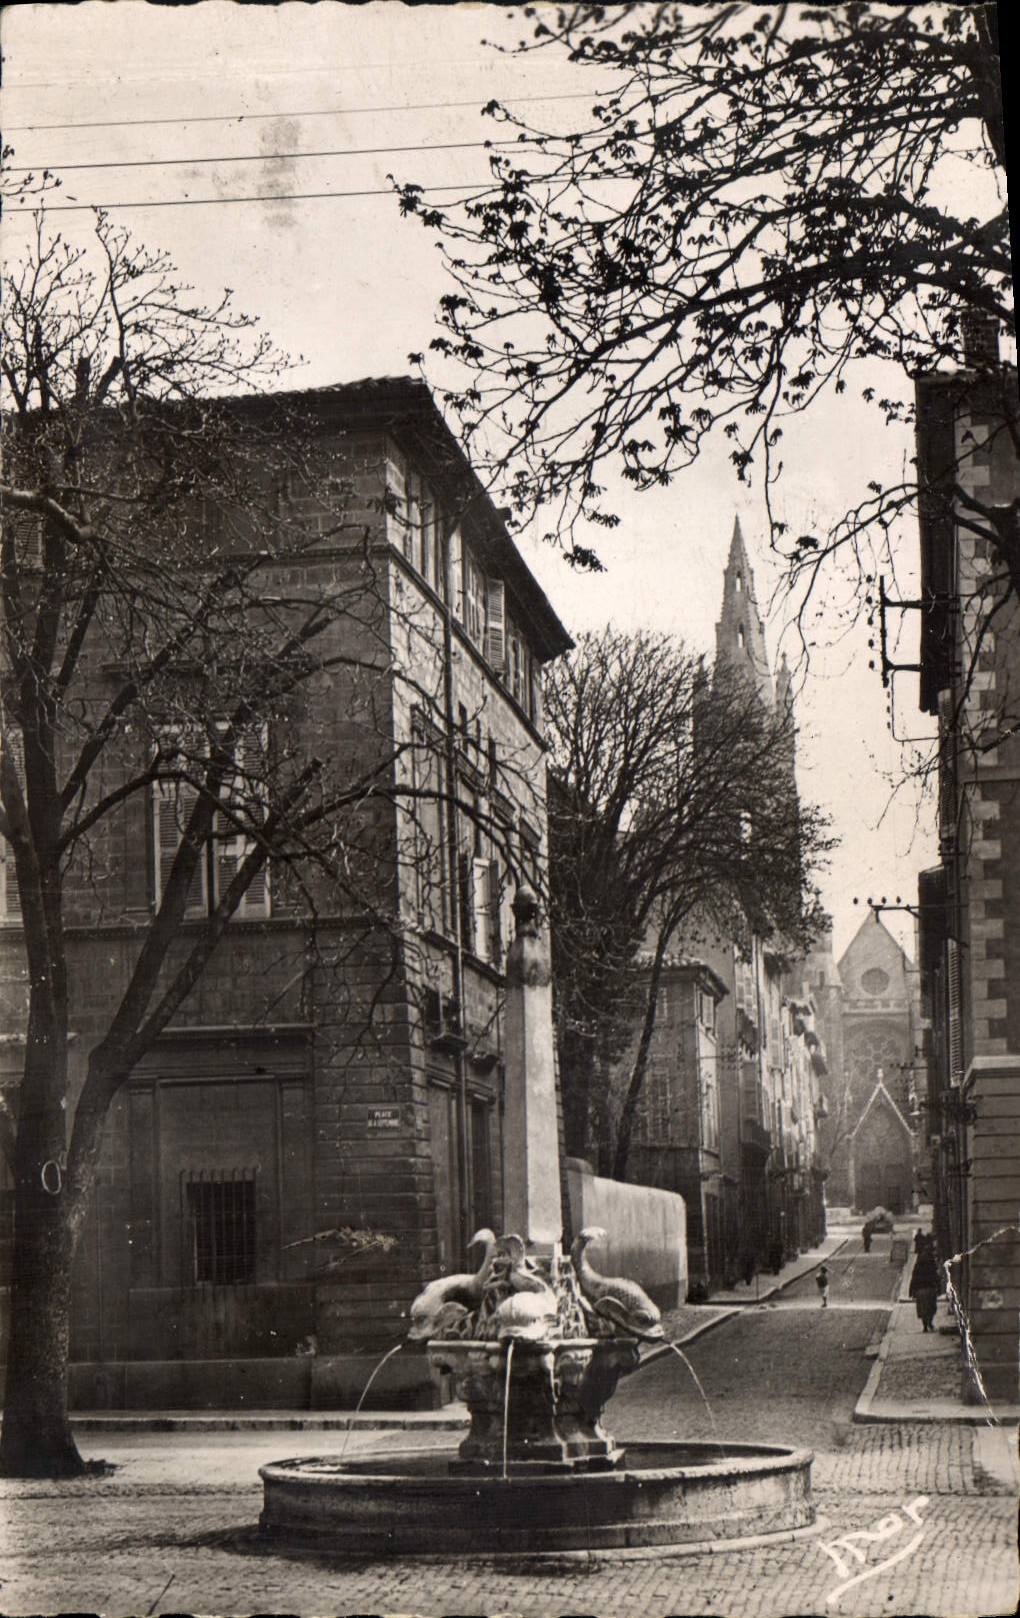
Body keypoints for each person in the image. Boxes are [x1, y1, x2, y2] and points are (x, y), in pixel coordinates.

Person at [909, 1245, 939, 1332]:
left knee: (923, 1309)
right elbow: (936, 1277)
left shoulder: (918, 1265)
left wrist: (911, 1291)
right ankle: (930, 1322)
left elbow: (914, 1277)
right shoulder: (932, 1264)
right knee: (931, 1307)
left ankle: (925, 1325)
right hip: (930, 1289)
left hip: (920, 1290)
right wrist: (939, 1288)